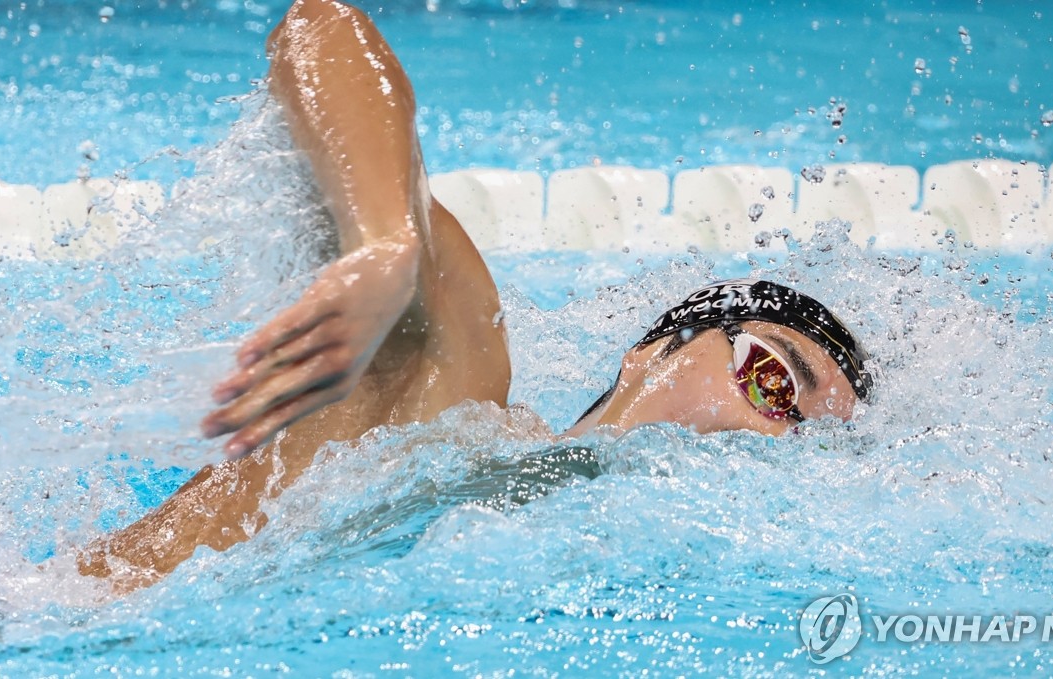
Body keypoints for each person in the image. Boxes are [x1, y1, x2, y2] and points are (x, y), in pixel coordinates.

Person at [76, 0, 873, 592]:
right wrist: (389, 242)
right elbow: (319, 27)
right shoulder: (458, 402)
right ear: (650, 351)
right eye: (772, 382)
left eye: (809, 448)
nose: (768, 440)